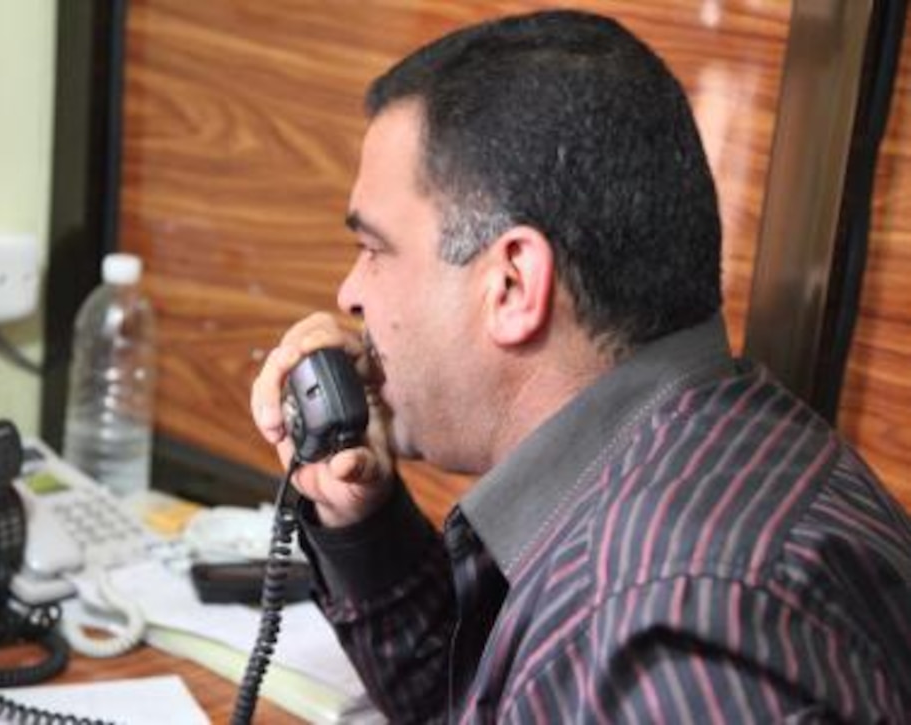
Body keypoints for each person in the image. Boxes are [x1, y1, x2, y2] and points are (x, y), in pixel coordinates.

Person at [250, 9, 911, 723]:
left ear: (511, 285)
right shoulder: (710, 449)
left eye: (374, 249)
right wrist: (361, 523)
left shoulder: (673, 628)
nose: (350, 293)